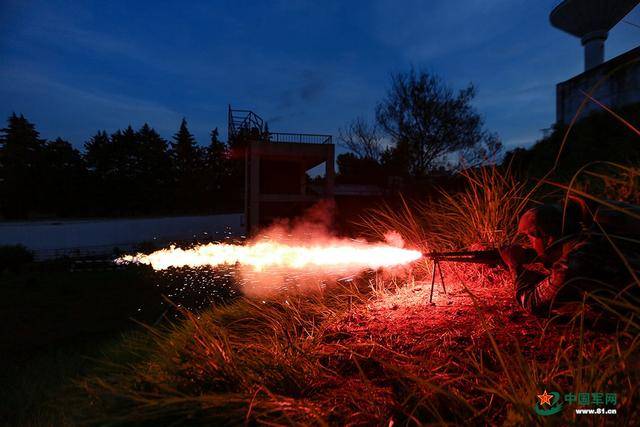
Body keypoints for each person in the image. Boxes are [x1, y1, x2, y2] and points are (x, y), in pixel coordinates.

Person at [499, 202, 640, 316]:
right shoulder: (600, 232)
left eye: (529, 238)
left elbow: (532, 302)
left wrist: (514, 265)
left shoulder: (571, 264)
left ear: (547, 238)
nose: (528, 243)